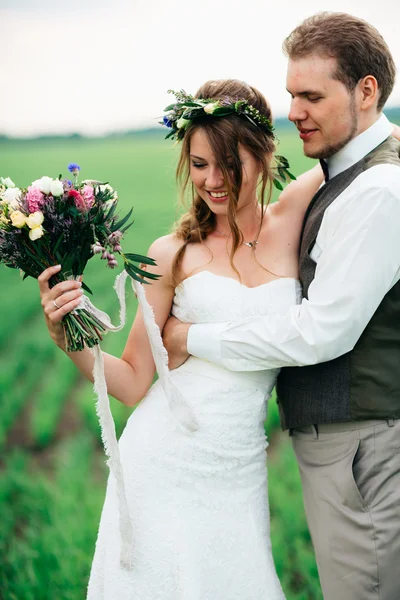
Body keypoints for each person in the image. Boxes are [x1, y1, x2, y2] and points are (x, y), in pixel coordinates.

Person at [38, 78, 326, 599]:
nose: (213, 181)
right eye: (198, 164)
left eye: (229, 165)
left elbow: (364, 144)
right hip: (163, 461)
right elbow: (129, 384)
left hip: (239, 468)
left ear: (264, 155)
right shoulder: (170, 253)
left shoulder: (293, 218)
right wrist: (68, 336)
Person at [163, 12, 400, 600]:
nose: (294, 110)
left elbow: (324, 331)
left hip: (360, 441)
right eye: (292, 93)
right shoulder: (338, 175)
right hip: (338, 441)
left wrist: (191, 337)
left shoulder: (376, 190)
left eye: (312, 96)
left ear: (366, 91)